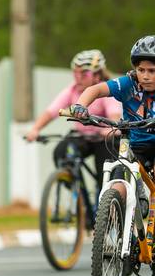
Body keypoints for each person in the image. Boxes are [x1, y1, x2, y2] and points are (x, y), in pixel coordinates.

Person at [69, 35, 155, 258]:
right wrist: (80, 106)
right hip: (136, 145)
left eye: (152, 70)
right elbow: (95, 90)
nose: (145, 76)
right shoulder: (128, 84)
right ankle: (121, 236)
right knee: (118, 186)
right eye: (141, 70)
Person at [25, 50, 122, 188]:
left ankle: (103, 195)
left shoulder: (105, 89)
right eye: (75, 73)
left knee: (105, 174)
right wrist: (35, 129)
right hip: (82, 137)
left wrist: (110, 130)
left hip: (104, 139)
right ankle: (78, 191)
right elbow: (51, 111)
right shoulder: (72, 90)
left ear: (97, 75)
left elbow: (114, 115)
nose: (78, 78)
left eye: (84, 74)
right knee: (61, 152)